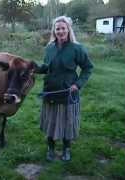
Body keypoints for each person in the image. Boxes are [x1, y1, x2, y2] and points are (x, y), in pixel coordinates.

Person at [34, 16, 94, 161]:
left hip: (68, 93)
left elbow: (88, 68)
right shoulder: (49, 48)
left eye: (63, 28)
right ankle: (51, 148)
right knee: (50, 122)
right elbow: (46, 67)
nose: (60, 31)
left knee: (67, 123)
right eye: (57, 28)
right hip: (50, 92)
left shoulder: (77, 49)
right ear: (54, 31)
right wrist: (33, 68)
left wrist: (77, 85)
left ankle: (66, 149)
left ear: (68, 29)